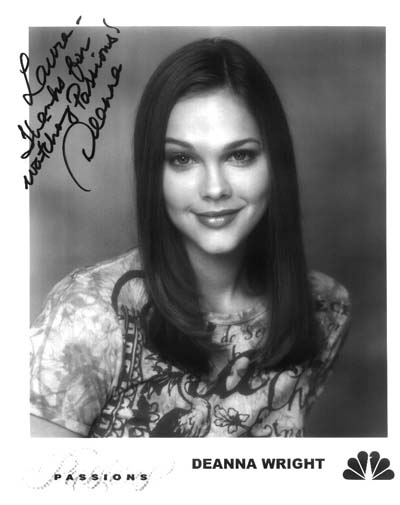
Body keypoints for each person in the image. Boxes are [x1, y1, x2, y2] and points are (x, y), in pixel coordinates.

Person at [30, 37, 351, 437]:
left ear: (276, 162)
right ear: (153, 173)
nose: (215, 188)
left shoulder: (325, 310)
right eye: (182, 159)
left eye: (240, 155)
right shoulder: (88, 316)